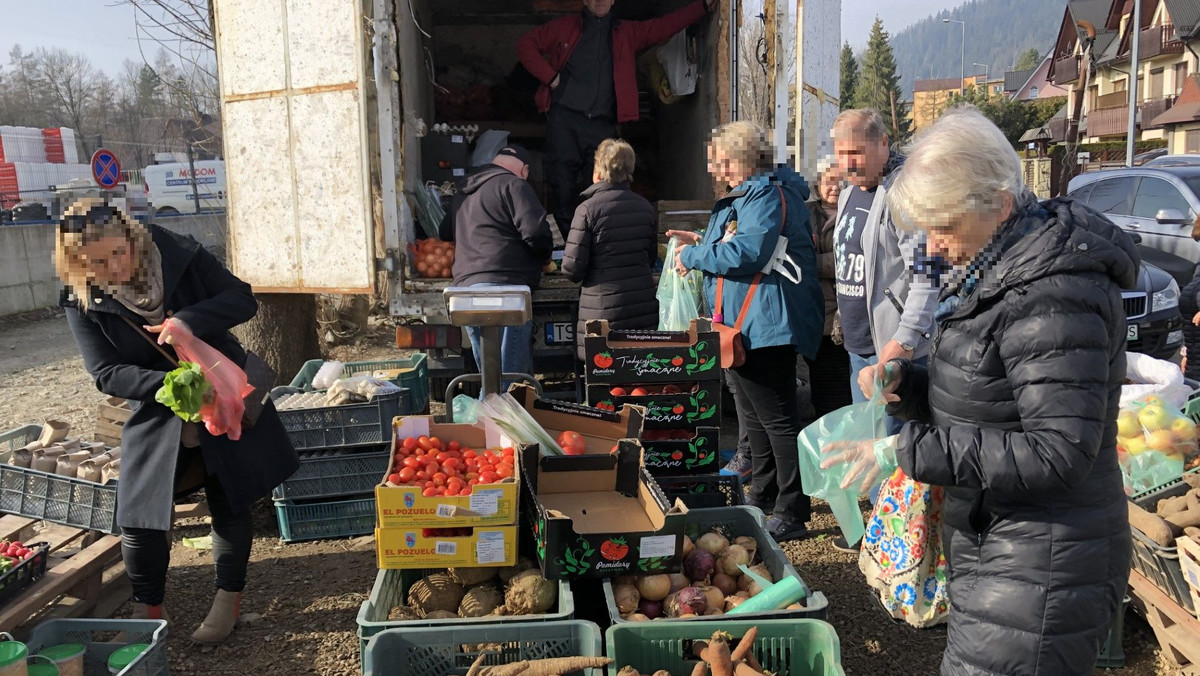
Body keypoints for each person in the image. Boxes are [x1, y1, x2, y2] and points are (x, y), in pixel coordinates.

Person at [828, 108, 1132, 674]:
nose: (936, 248)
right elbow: (992, 391)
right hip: (1001, 545)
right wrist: (911, 386)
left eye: (944, 228)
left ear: (999, 204)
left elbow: (1058, 452)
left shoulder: (1054, 293)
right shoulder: (994, 270)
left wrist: (908, 449)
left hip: (1045, 563)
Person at [56, 198, 299, 645]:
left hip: (223, 386)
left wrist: (189, 320)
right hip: (157, 403)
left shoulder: (178, 253)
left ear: (131, 237)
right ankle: (149, 610)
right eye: (97, 263)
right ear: (76, 264)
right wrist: (174, 388)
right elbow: (106, 372)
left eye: (119, 252)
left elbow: (242, 299)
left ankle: (228, 602)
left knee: (230, 497)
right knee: (140, 514)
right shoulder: (79, 297)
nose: (115, 267)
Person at [670, 121, 824, 541]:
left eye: (721, 162)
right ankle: (764, 492)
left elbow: (750, 251)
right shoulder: (751, 196)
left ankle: (793, 507)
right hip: (745, 324)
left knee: (777, 421)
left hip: (766, 324)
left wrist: (698, 254)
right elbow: (742, 243)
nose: (717, 171)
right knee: (754, 419)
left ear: (741, 157)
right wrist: (703, 240)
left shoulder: (765, 195)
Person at [517, 0, 716, 240]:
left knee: (603, 188)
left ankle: (595, 244)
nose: (600, 1)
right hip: (565, 119)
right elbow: (525, 44)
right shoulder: (564, 26)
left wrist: (701, 7)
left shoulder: (627, 31)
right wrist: (551, 78)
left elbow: (663, 27)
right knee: (562, 185)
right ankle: (573, 247)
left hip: (602, 123)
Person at [831, 108, 938, 406]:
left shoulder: (904, 194)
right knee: (868, 444)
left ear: (883, 143)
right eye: (841, 154)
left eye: (857, 152)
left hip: (894, 352)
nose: (848, 164)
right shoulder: (848, 193)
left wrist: (905, 340)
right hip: (857, 346)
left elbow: (927, 276)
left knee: (893, 447)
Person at [440, 145, 554, 380]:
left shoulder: (464, 192)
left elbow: (444, 231)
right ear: (524, 170)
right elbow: (535, 232)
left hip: (467, 292)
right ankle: (503, 416)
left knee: (491, 378)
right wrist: (545, 258)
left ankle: (488, 415)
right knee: (508, 380)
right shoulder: (515, 185)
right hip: (506, 290)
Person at [561, 139, 658, 360]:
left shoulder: (587, 210)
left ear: (598, 170)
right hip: (641, 307)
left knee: (604, 379)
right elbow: (650, 257)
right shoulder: (645, 207)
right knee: (638, 375)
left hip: (602, 311)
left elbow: (572, 269)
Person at [807, 157, 853, 419]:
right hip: (816, 314)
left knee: (845, 390)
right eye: (828, 181)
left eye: (840, 180)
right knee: (822, 389)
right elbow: (796, 259)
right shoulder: (805, 212)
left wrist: (814, 263)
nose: (834, 187)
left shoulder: (856, 213)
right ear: (818, 183)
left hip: (847, 313)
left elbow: (856, 261)